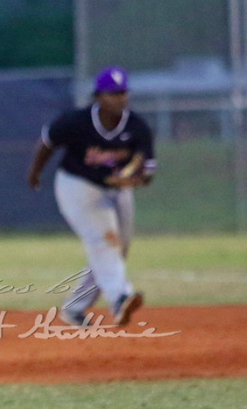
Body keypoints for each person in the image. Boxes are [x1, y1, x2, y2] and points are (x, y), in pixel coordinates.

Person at [27, 66, 156, 327]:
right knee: (105, 241)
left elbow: (148, 169)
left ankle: (75, 309)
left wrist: (135, 179)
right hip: (78, 186)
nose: (119, 98)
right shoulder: (76, 121)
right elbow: (47, 142)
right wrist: (35, 173)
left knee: (118, 249)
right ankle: (120, 298)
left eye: (122, 92)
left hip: (118, 189)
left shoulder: (137, 126)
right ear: (98, 96)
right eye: (112, 93)